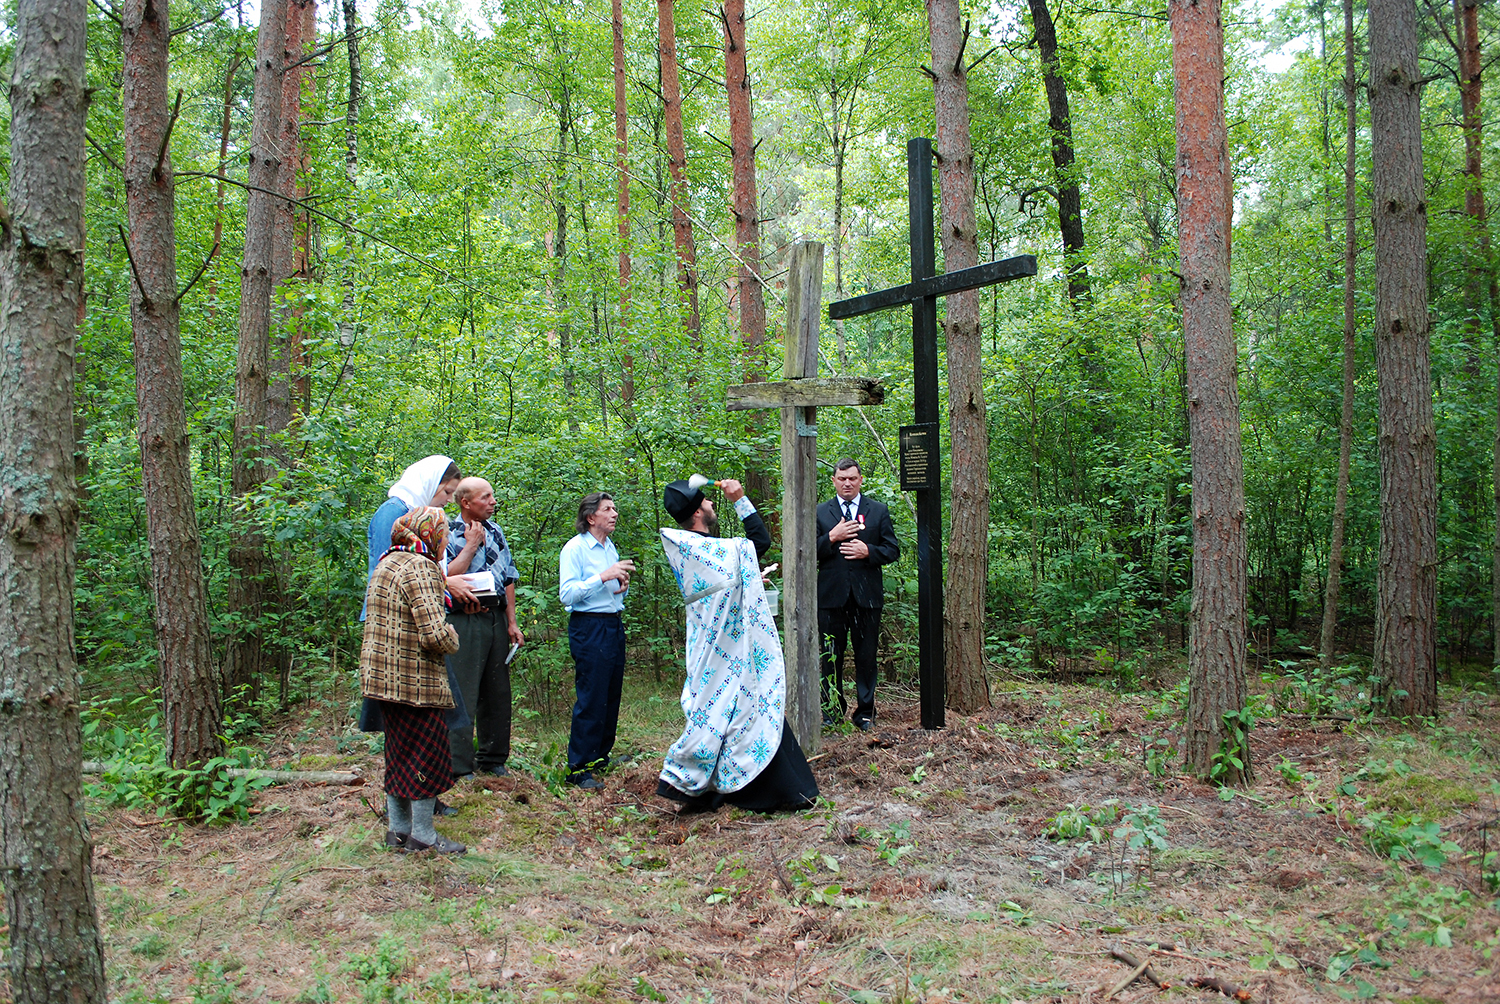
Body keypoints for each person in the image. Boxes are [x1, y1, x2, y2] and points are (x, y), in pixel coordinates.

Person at [656, 479, 819, 812]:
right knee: (734, 706)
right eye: (709, 502)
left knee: (726, 709)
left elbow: (721, 590)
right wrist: (740, 499)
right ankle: (763, 789)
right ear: (699, 512)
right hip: (724, 649)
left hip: (711, 644)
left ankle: (718, 784)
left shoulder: (692, 549)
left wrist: (750, 582)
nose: (714, 505)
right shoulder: (708, 549)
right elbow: (760, 540)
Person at [359, 507, 465, 854]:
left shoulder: (388, 562)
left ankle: (398, 832)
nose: (446, 543)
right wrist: (453, 635)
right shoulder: (421, 568)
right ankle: (424, 836)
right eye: (445, 536)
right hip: (414, 683)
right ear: (429, 534)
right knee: (425, 756)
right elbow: (434, 635)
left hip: (382, 680)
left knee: (399, 754)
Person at [445, 477, 525, 779]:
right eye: (486, 497)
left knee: (497, 689)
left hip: (495, 617)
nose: (493, 501)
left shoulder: (496, 530)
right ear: (466, 503)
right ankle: (459, 765)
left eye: (493, 495)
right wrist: (471, 545)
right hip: (464, 619)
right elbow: (444, 576)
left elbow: (508, 577)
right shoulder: (447, 532)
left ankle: (492, 758)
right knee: (463, 690)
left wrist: (511, 621)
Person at [816, 458, 900, 730]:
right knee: (830, 656)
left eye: (852, 478)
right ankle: (831, 711)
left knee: (866, 656)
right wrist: (832, 536)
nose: (847, 483)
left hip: (867, 597)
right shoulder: (820, 513)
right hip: (831, 598)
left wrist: (869, 552)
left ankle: (865, 713)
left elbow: (892, 549)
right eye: (842, 479)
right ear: (834, 481)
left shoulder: (877, 511)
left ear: (860, 479)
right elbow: (805, 551)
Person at [558, 492, 634, 790]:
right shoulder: (575, 550)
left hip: (613, 624)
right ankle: (578, 768)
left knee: (611, 692)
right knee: (591, 695)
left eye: (615, 508)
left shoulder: (609, 547)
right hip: (589, 627)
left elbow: (611, 590)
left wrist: (621, 585)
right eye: (607, 509)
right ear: (591, 517)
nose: (614, 513)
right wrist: (602, 577)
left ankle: (600, 757)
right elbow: (567, 595)